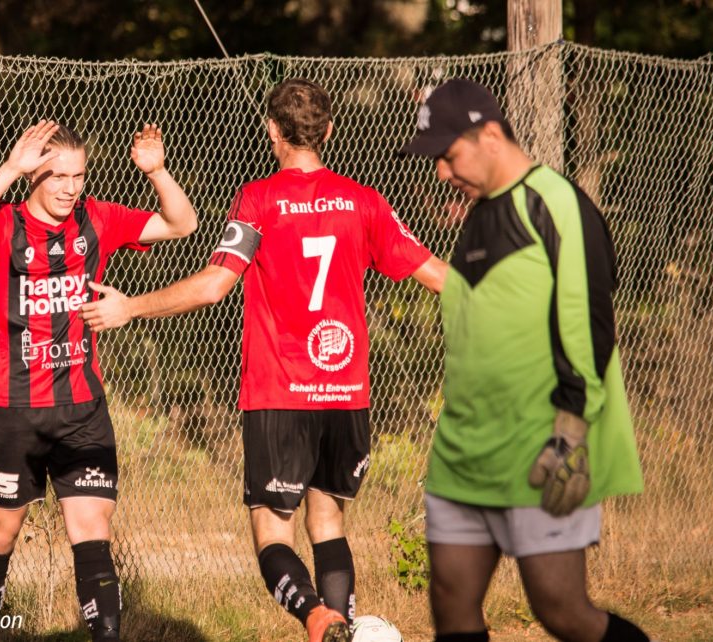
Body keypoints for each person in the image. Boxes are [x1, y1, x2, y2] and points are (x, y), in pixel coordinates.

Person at [80, 78, 449, 642]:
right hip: (345, 392)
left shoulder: (259, 199)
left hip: (280, 393)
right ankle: (342, 626)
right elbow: (438, 276)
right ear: (329, 130)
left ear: (271, 131)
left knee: (272, 535)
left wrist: (131, 307)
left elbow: (212, 286)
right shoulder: (365, 200)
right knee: (327, 522)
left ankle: (317, 618)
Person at [398, 79, 649, 642]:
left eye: (449, 155)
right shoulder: (478, 213)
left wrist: (570, 433)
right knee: (451, 602)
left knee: (560, 610)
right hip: (464, 449)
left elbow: (592, 324)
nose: (442, 171)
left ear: (490, 135)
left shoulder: (554, 201)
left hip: (542, 445)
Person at [0, 119, 197, 641]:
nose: (69, 187)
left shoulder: (95, 219)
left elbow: (182, 224)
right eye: (58, 176)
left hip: (82, 407)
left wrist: (158, 172)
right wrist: (9, 169)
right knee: (0, 531)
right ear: (34, 175)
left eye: (78, 176)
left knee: (91, 532)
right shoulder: (5, 224)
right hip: (9, 406)